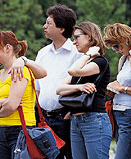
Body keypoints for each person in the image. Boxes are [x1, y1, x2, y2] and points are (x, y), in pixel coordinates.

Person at [0, 27, 46, 159]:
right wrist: (1, 103)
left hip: (21, 130)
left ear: (7, 48)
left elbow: (11, 106)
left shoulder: (21, 71)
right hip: (2, 131)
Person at [56, 22, 112, 159]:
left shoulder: (100, 62)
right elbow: (59, 89)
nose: (74, 42)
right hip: (76, 120)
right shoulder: (83, 62)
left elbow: (73, 71)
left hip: (94, 120)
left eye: (76, 38)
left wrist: (88, 55)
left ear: (89, 36)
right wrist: (79, 87)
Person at [35, 4, 81, 159]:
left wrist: (70, 112)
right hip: (42, 119)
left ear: (61, 28)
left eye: (49, 23)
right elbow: (37, 88)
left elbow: (81, 85)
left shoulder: (76, 53)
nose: (44, 26)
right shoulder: (42, 53)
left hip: (66, 118)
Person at [103, 23, 131, 159]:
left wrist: (122, 89)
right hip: (119, 114)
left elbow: (124, 87)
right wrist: (114, 89)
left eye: (116, 46)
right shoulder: (124, 59)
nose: (115, 50)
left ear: (125, 39)